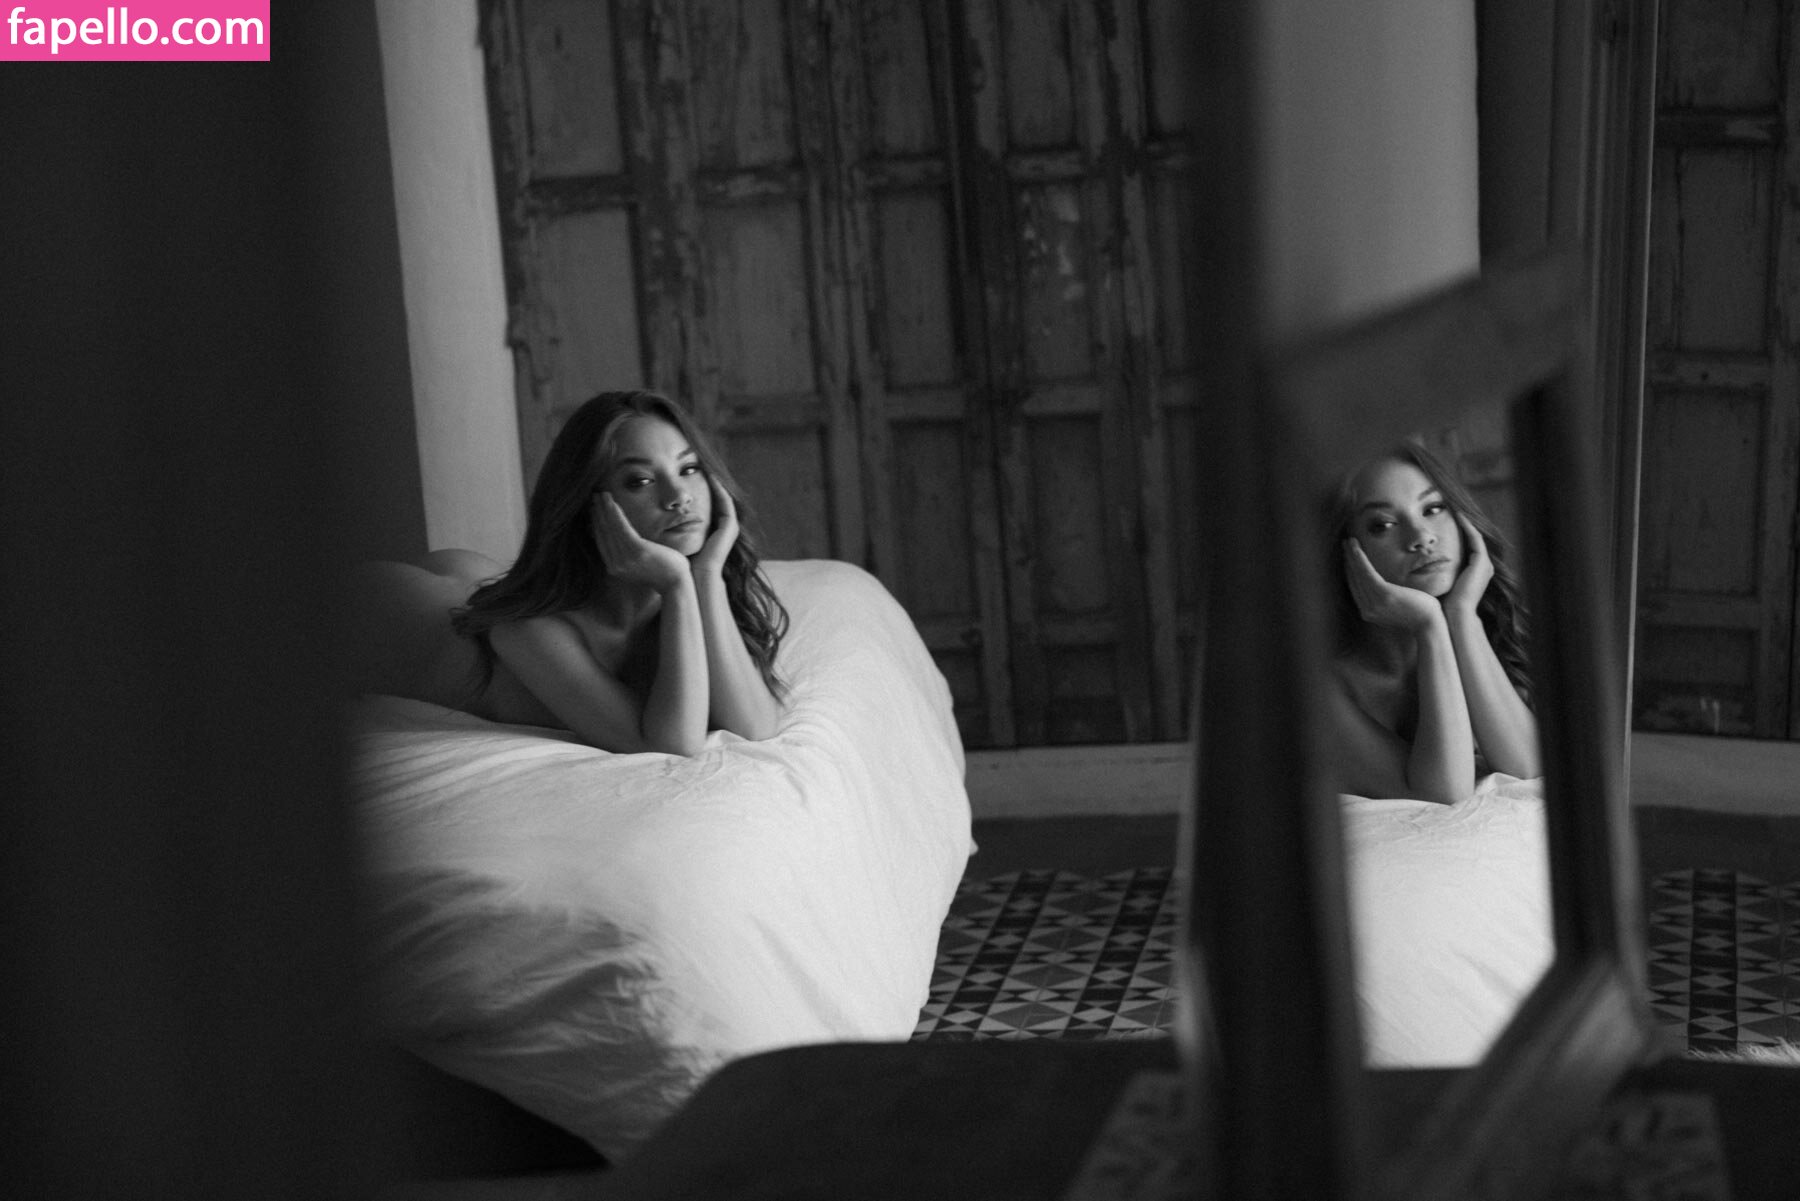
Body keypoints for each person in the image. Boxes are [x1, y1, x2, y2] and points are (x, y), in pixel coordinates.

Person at [350, 390, 788, 755]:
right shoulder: (528, 630)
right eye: (639, 480)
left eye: (689, 469)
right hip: (376, 612)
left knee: (481, 584)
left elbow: (755, 727)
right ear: (587, 506)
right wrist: (676, 583)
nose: (679, 496)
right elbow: (670, 746)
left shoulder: (687, 598)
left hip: (469, 581)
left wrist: (706, 575)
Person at [1325, 439, 1538, 802]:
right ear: (1343, 553)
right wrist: (1430, 626)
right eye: (1383, 525)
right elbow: (1441, 796)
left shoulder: (1490, 630)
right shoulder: (1317, 683)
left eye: (1433, 508)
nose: (1422, 537)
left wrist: (1461, 616)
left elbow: (1528, 767)